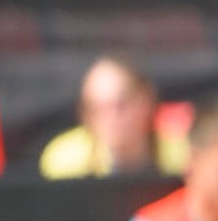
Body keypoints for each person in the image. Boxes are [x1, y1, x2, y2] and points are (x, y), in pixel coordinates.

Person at [39, 54, 188, 179]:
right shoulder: (65, 161)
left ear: (146, 98)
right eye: (97, 109)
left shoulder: (184, 157)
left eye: (120, 104)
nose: (111, 118)